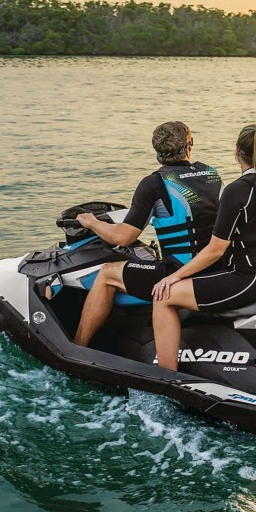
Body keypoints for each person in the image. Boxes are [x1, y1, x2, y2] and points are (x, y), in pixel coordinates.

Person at [146, 124, 256, 371]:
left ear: (237, 151)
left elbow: (216, 250)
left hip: (250, 279)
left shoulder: (238, 189)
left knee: (163, 297)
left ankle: (165, 377)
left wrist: (173, 277)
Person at [72, 121, 222, 348]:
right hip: (218, 269)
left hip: (180, 273)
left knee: (106, 274)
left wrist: (91, 222)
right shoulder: (212, 175)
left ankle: (77, 350)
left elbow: (123, 237)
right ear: (188, 146)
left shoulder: (154, 183)